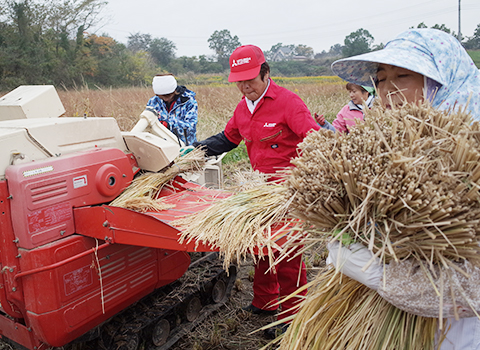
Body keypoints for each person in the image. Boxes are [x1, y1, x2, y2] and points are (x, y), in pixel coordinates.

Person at [329, 28, 480, 350]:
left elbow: (472, 290)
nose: (388, 90)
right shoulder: (384, 153)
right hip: (381, 330)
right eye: (381, 79)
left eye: (404, 76)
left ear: (443, 81)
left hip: (457, 335)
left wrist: (379, 275)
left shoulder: (472, 161)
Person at [193, 44, 321, 338]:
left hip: (288, 193)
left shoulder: (289, 103)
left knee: (287, 255)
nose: (245, 86)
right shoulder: (242, 108)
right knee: (261, 248)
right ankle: (264, 302)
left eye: (250, 79)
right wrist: (194, 150)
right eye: (239, 80)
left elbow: (313, 138)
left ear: (266, 73)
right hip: (259, 191)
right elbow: (227, 139)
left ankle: (291, 318)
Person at [146, 74, 198, 146]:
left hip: (185, 146)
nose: (165, 99)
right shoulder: (153, 101)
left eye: (167, 95)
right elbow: (148, 121)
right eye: (161, 97)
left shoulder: (188, 101)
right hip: (162, 146)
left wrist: (169, 125)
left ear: (174, 91)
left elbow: (190, 127)